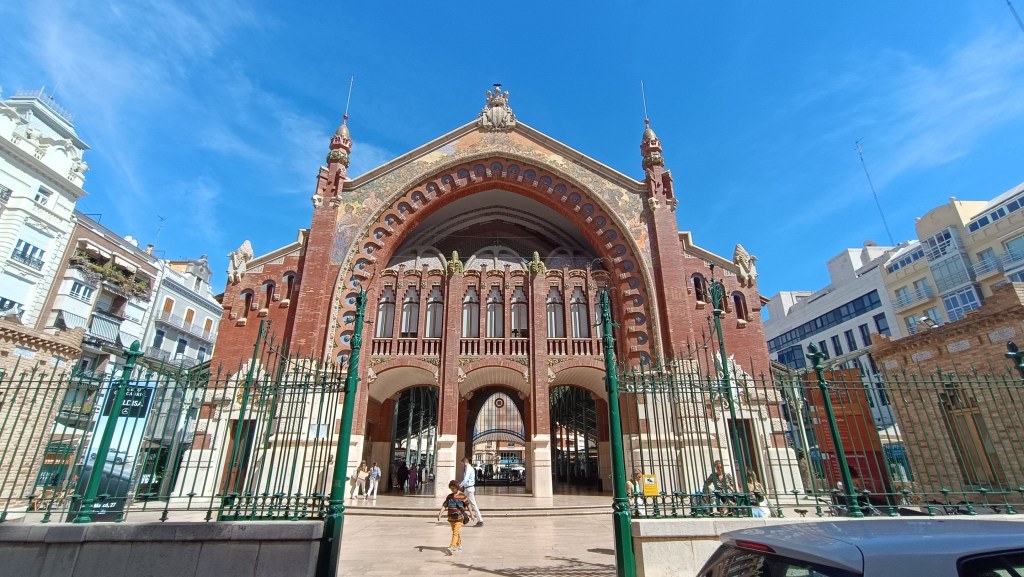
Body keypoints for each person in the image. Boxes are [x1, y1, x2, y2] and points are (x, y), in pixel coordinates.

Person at [437, 480, 472, 555]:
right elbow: (445, 505)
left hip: (459, 517)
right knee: (455, 532)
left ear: (457, 487)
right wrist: (440, 514)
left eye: (454, 488)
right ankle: (459, 545)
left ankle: (452, 547)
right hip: (451, 518)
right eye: (451, 488)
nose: (452, 490)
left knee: (455, 533)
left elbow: (468, 505)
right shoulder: (449, 496)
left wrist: (472, 514)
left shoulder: (462, 496)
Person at [459, 457, 484, 526]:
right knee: (462, 502)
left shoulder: (468, 468)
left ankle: (480, 520)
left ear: (465, 462)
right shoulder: (469, 468)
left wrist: (459, 486)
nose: (462, 465)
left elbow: (466, 479)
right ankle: (461, 518)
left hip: (469, 489)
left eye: (462, 463)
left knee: (473, 505)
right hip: (467, 489)